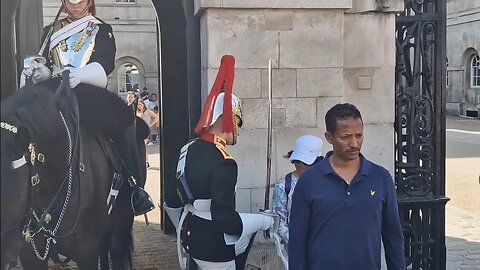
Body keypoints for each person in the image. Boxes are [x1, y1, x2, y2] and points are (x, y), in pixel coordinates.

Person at [19, 0, 154, 216]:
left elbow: (105, 62)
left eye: (80, 1)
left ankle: (135, 188)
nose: (75, 5)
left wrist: (81, 74)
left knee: (125, 120)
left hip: (88, 89)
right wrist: (38, 70)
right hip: (55, 89)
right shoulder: (50, 30)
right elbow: (45, 62)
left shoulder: (101, 28)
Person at [173, 55, 276, 270]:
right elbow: (225, 219)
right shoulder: (224, 161)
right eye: (237, 121)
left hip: (189, 231)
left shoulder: (189, 147)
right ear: (226, 118)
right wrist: (263, 221)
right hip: (211, 243)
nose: (238, 128)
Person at [288, 103, 405, 270]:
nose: (354, 143)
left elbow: (393, 237)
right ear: (329, 137)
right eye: (346, 137)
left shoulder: (381, 178)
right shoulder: (309, 181)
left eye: (359, 135)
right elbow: (297, 241)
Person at [271, 135, 323, 258]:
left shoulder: (326, 182)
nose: (300, 165)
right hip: (296, 251)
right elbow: (279, 222)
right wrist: (299, 243)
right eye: (298, 161)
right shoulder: (284, 185)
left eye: (305, 162)